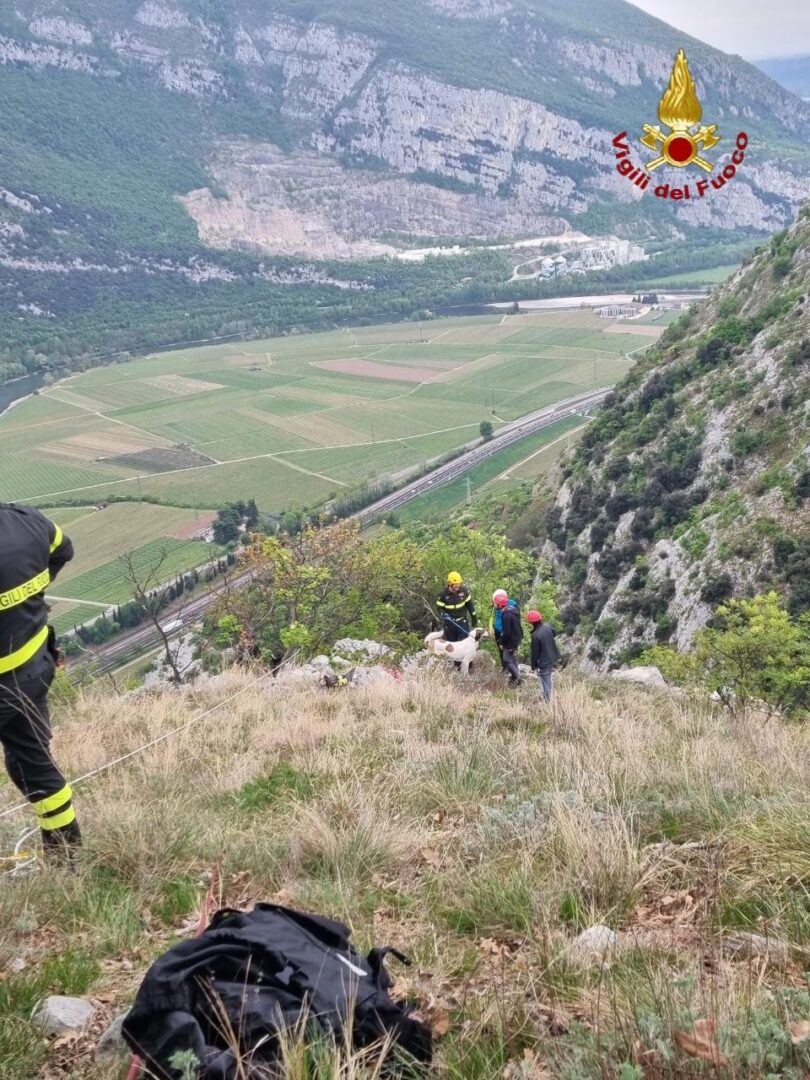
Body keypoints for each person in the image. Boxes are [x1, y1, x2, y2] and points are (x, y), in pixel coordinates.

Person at [0, 503, 81, 863]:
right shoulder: (27, 521)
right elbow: (63, 550)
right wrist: (31, 593)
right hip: (32, 672)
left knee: (29, 762)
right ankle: (66, 857)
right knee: (32, 763)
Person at [436, 571, 477, 671]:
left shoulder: (464, 591)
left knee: (467, 644)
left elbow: (470, 605)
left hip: (462, 622)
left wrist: (474, 618)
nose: (458, 586)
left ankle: (469, 666)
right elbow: (439, 608)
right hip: (450, 623)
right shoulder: (443, 595)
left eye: (459, 583)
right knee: (452, 643)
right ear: (450, 583)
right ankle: (456, 666)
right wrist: (443, 614)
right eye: (456, 584)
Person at [528, 609, 560, 703]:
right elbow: (554, 633)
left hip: (544, 662)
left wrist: (533, 665)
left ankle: (547, 702)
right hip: (553, 657)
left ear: (530, 622)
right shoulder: (547, 626)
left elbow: (535, 652)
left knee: (545, 682)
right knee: (549, 678)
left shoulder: (535, 635)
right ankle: (550, 699)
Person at [500, 598, 523, 685]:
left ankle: (517, 677)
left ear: (499, 605)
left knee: (507, 659)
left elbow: (507, 632)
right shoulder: (514, 611)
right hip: (516, 638)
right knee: (513, 658)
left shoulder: (506, 615)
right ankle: (515, 677)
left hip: (510, 641)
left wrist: (502, 642)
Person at [489, 589, 509, 670]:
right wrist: (490, 627)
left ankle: (509, 668)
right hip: (497, 630)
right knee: (500, 649)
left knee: (507, 650)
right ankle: (504, 667)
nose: (494, 604)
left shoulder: (511, 606)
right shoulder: (496, 605)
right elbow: (491, 616)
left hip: (506, 632)